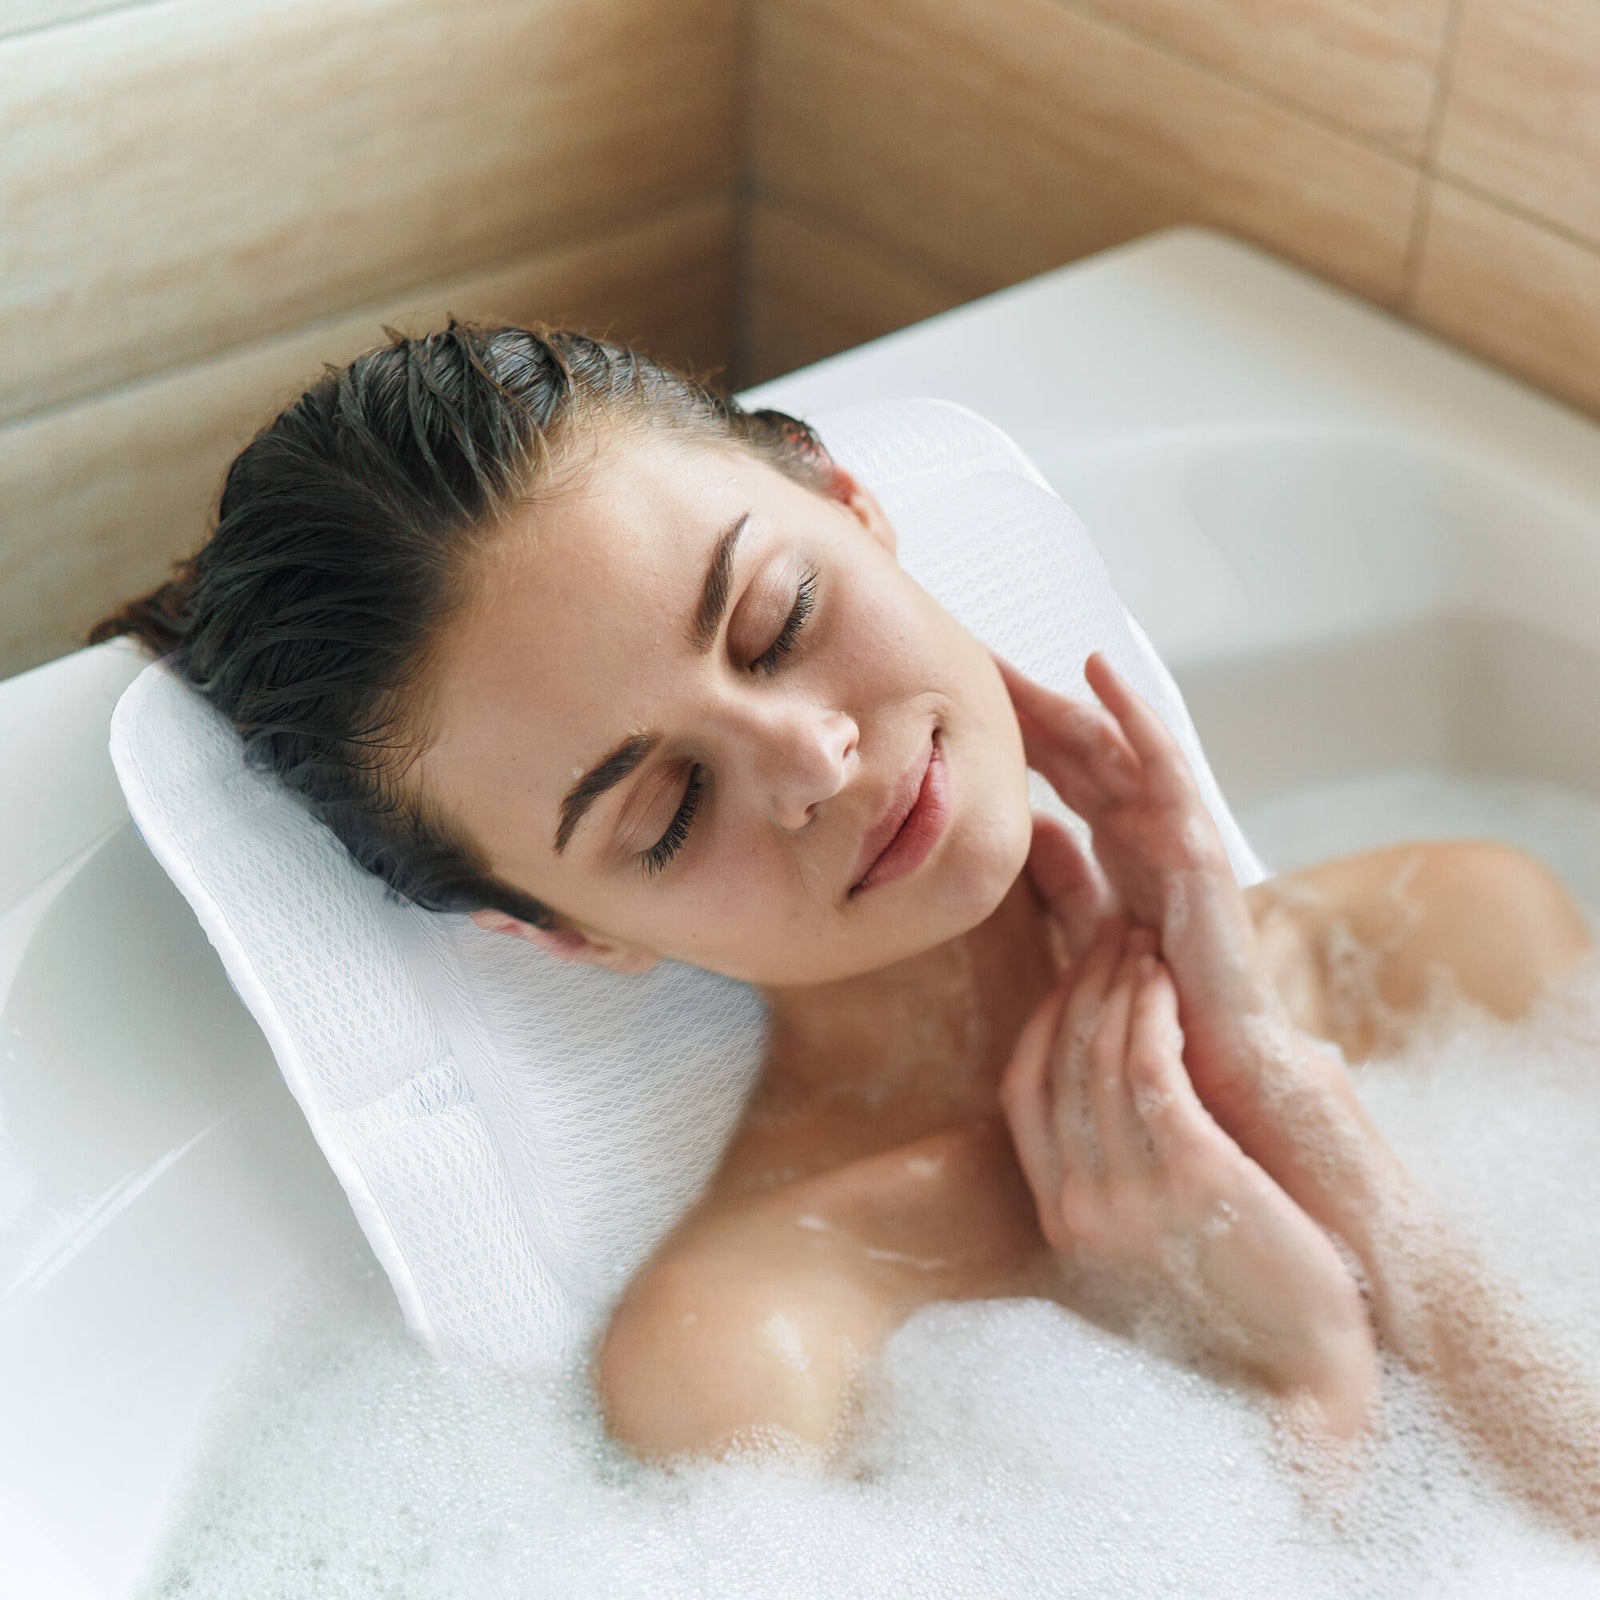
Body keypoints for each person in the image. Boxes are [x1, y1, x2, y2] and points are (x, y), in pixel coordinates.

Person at [89, 322, 1598, 1534]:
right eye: (666, 814)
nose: (813, 764)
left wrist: (1306, 1125)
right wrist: (1314, 1380)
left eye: (779, 621)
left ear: (850, 503)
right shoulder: (755, 1347)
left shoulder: (1455, 937)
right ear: (569, 933)